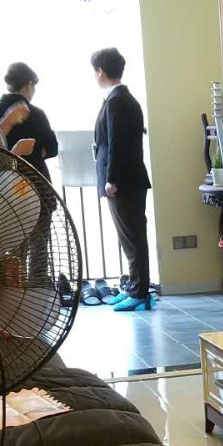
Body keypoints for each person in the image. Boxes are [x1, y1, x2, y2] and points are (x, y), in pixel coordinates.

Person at [91, 47, 153, 312]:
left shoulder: (117, 101)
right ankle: (135, 288)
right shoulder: (121, 99)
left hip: (123, 181)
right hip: (128, 180)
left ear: (100, 71)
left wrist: (111, 178)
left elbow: (117, 144)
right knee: (130, 237)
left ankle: (139, 292)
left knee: (133, 237)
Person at [0, 63, 58, 181]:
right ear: (28, 85)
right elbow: (53, 149)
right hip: (35, 179)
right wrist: (38, 152)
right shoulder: (36, 114)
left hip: (3, 181)